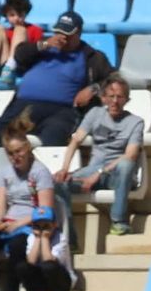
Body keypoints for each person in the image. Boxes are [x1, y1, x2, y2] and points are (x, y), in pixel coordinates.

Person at [0, 11, 110, 149]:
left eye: (67, 33)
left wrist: (93, 88)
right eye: (58, 32)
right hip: (25, 108)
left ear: (78, 33)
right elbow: (19, 55)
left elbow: (113, 79)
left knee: (53, 138)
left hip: (62, 111)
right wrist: (44, 44)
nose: (62, 37)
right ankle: (15, 168)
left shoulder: (92, 57)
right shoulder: (43, 48)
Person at [53, 73, 143, 236]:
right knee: (59, 183)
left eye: (120, 96)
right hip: (92, 171)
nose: (115, 101)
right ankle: (69, 238)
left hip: (117, 175)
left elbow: (130, 155)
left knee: (126, 164)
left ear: (127, 100)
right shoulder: (95, 113)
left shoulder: (135, 122)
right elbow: (76, 140)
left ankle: (119, 221)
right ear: (103, 98)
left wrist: (99, 173)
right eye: (111, 96)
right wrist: (64, 169)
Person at [0, 124, 57, 291]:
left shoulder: (40, 172)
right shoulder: (6, 173)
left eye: (18, 151)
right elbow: (1, 204)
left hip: (31, 222)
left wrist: (18, 224)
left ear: (27, 149)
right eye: (10, 153)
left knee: (17, 244)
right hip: (10, 221)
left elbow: (45, 210)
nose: (15, 157)